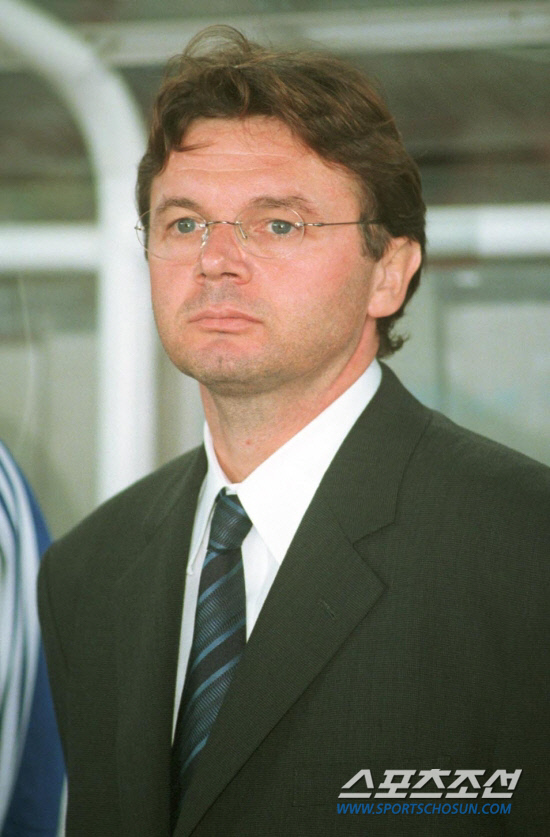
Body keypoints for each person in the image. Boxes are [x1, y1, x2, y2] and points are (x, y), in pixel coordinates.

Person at [38, 26, 550, 837]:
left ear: (390, 272)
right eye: (183, 223)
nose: (216, 259)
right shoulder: (87, 573)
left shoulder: (524, 549)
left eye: (278, 224)